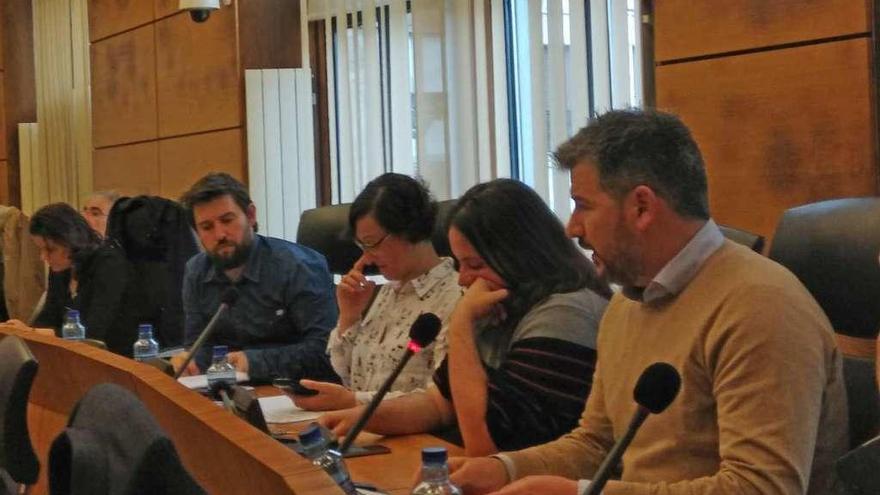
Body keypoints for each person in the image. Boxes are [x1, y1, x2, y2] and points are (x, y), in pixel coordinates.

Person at [447, 110, 848, 495]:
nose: (572, 227)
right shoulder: (627, 306)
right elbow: (596, 445)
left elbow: (760, 489)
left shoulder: (761, 306)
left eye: (583, 204)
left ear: (641, 207)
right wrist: (503, 469)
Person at [320, 179, 611, 456]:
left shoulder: (564, 313)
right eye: (460, 264)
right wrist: (363, 417)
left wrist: (461, 325)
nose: (463, 279)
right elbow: (438, 403)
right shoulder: (502, 304)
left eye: (474, 264)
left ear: (520, 255)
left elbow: (485, 443)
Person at [293, 173, 461, 411]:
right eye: (362, 246)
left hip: (416, 436)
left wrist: (354, 402)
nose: (367, 257)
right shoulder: (385, 293)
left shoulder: (455, 297)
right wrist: (349, 317)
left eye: (373, 243)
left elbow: (441, 399)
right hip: (362, 429)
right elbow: (347, 377)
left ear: (409, 229)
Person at [172, 173, 339, 384]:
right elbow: (200, 344)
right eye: (207, 227)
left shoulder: (298, 266)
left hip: (297, 392)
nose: (220, 234)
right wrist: (192, 361)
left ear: (250, 215)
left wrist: (254, 361)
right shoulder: (196, 271)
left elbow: (326, 351)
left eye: (227, 220)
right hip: (230, 393)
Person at [3, 203, 138, 355]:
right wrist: (26, 332)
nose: (43, 257)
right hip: (73, 356)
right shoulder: (61, 267)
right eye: (41, 249)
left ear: (70, 240)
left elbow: (92, 333)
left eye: (50, 249)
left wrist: (32, 332)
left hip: (115, 358)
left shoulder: (109, 265)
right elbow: (48, 317)